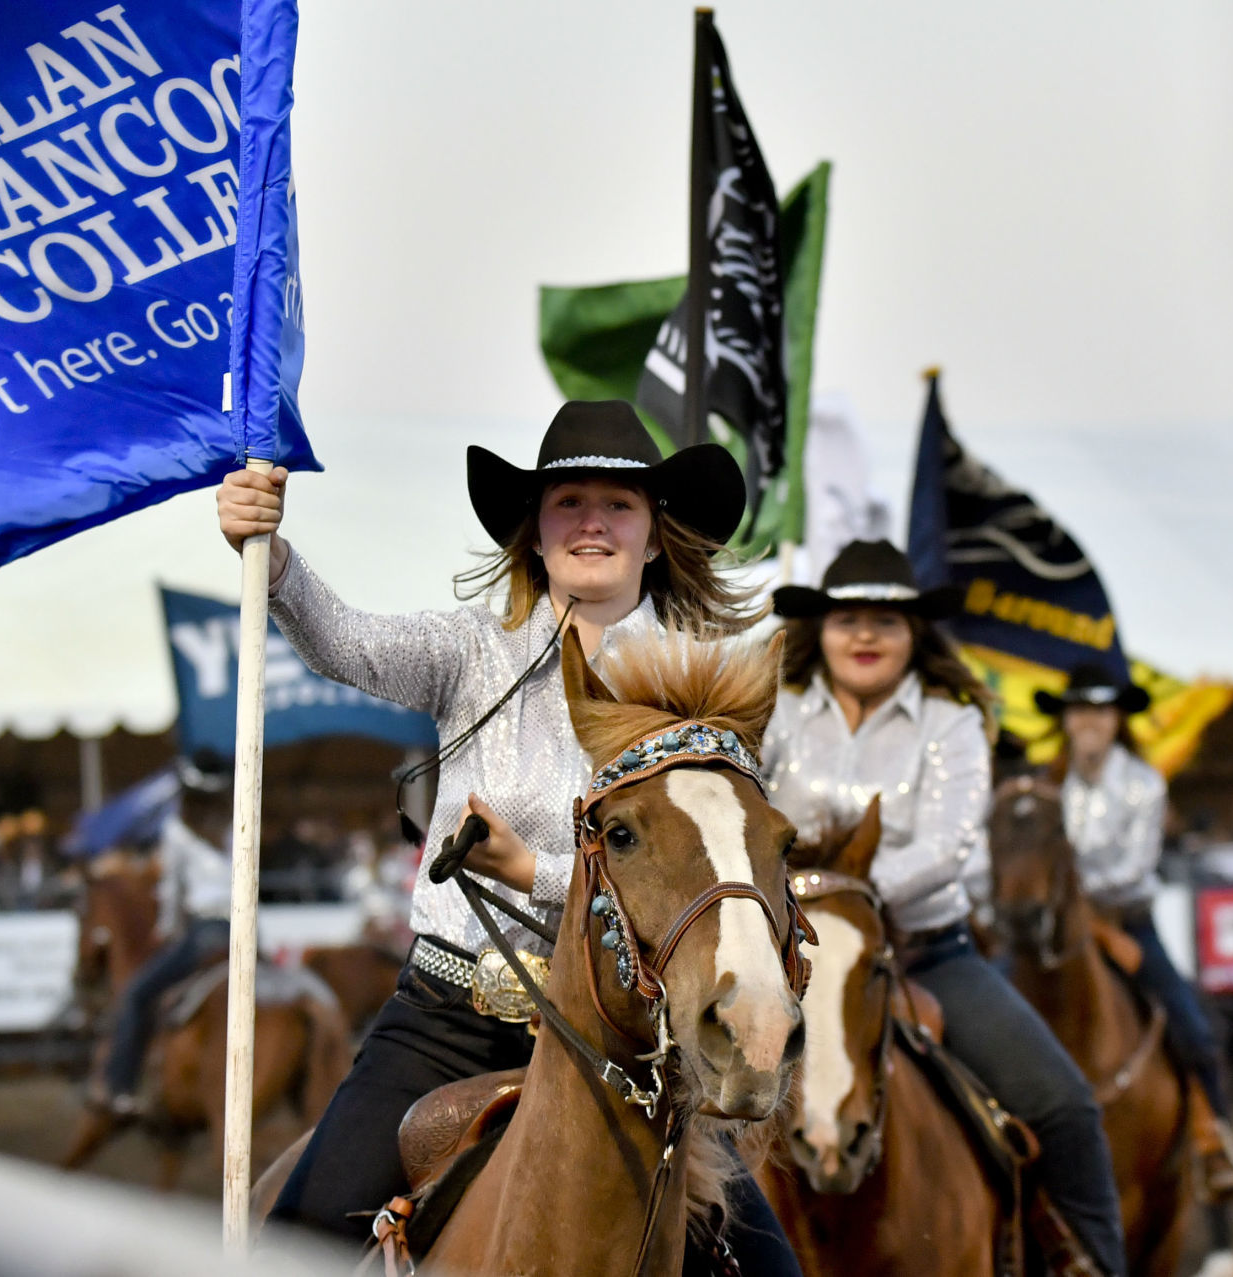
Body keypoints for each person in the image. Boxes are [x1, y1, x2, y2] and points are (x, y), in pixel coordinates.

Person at [216, 399, 799, 1271]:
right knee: (297, 1248)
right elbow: (345, 643)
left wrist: (528, 868)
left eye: (619, 504)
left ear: (653, 532)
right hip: (447, 1015)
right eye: (567, 501)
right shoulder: (469, 650)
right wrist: (274, 560)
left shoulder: (702, 685)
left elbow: (698, 875)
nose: (592, 520)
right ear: (533, 531)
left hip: (628, 1038)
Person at [762, 540, 1127, 1277]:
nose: (866, 634)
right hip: (789, 961)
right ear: (820, 631)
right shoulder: (777, 711)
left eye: (887, 621)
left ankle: (1092, 1261)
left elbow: (949, 844)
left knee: (1063, 1105)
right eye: (847, 619)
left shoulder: (951, 719)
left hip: (932, 951)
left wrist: (843, 901)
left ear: (916, 634)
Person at [1038, 663, 1233, 1202]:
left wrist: (1067, 889)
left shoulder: (1143, 783)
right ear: (1065, 719)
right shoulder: (1044, 785)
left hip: (1125, 922)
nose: (1089, 721)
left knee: (1191, 1024)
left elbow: (1132, 873)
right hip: (1055, 928)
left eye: (1100, 710)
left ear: (1117, 720)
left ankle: (1212, 1136)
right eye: (1080, 709)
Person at [94, 749, 235, 1114]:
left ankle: (120, 1087)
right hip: (246, 934)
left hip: (205, 931)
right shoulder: (237, 819)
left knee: (138, 994)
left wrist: (167, 930)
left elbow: (172, 894)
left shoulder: (177, 831)